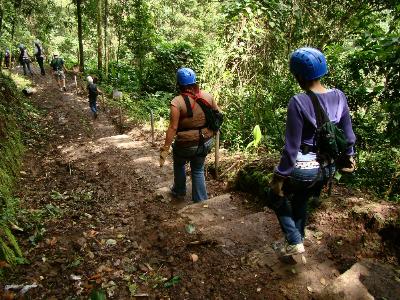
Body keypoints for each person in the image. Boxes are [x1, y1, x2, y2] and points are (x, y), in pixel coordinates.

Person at [269, 47, 356, 256]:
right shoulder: (339, 96)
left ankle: (293, 240)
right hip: (327, 167)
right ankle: (297, 239)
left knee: (272, 195)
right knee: (300, 199)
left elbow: (291, 148)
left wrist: (279, 177)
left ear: (298, 76)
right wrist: (350, 157)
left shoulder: (298, 102)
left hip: (304, 168)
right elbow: (349, 135)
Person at [160, 67, 219, 202]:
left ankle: (179, 190)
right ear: (194, 82)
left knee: (179, 162)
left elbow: (173, 127)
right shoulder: (208, 96)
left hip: (186, 143)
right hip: (206, 141)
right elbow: (218, 115)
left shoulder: (177, 102)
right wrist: (213, 132)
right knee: (198, 169)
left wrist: (165, 148)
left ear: (179, 84)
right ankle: (200, 200)